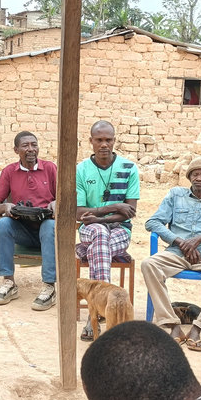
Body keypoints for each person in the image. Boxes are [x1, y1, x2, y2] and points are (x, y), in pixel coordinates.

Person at [141, 157, 201, 352]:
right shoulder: (175, 195)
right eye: (195, 174)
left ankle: (198, 328)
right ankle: (173, 325)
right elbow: (152, 222)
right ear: (189, 177)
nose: (199, 178)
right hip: (176, 253)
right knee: (148, 264)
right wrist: (179, 241)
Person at [75, 120, 139, 341]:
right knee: (100, 234)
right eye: (99, 140)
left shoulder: (129, 168)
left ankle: (94, 316)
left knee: (99, 243)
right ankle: (105, 311)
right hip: (89, 230)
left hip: (121, 231)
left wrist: (98, 216)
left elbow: (129, 212)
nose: (104, 144)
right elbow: (78, 213)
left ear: (114, 141)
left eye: (108, 140)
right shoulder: (81, 170)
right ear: (91, 141)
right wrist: (114, 207)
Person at [0, 132, 58, 310]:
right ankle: (9, 283)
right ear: (16, 150)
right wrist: (5, 207)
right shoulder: (9, 172)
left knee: (49, 224)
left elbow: (66, 199)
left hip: (48, 233)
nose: (31, 149)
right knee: (4, 223)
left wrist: (56, 203)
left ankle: (49, 286)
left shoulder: (50, 168)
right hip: (23, 232)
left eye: (34, 145)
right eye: (25, 146)